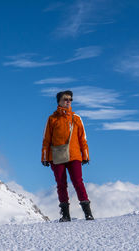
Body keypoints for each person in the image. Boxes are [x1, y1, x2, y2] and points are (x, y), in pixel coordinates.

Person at [41, 90, 94, 222]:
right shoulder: (52, 119)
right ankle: (65, 215)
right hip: (56, 156)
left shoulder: (76, 118)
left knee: (78, 182)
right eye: (65, 99)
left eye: (70, 99)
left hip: (75, 155)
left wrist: (85, 155)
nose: (68, 101)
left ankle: (88, 213)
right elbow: (46, 139)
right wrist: (44, 157)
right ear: (59, 101)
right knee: (61, 184)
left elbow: (83, 138)